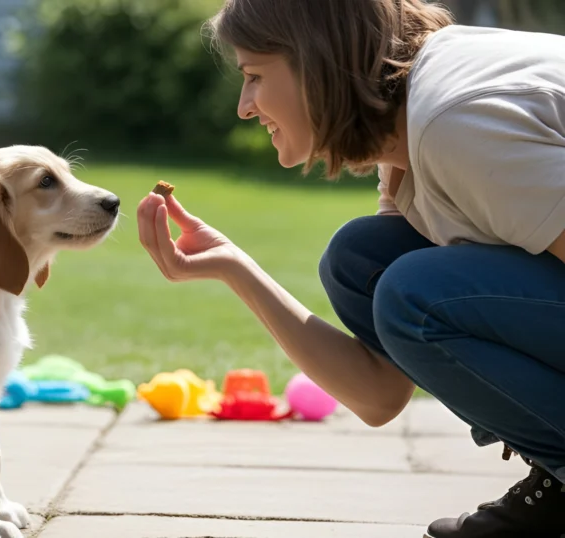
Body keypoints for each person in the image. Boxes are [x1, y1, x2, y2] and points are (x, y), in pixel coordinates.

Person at [136, 1, 565, 537]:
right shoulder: (409, 136)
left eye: (254, 77)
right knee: (361, 259)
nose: (244, 107)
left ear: (315, 61)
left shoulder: (455, 121)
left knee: (416, 290)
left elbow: (413, 309)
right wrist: (234, 267)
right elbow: (377, 395)